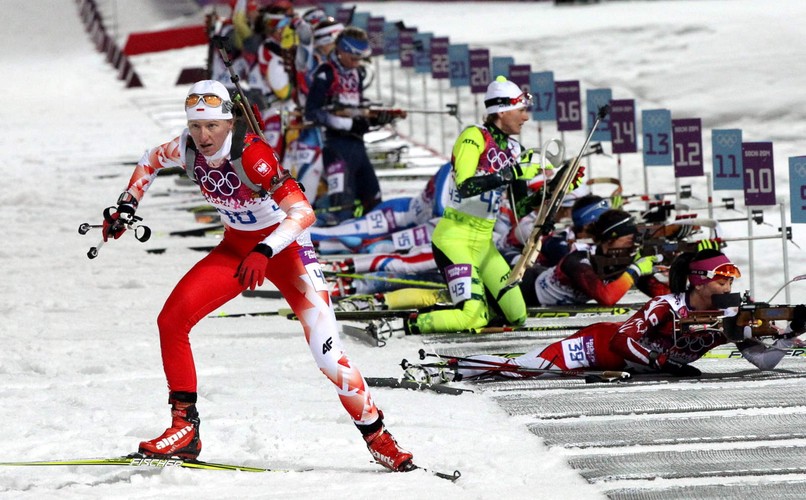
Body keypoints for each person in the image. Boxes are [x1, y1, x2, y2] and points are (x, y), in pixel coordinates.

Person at [99, 80, 414, 472]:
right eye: (196, 126)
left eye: (212, 126)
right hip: (236, 250)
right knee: (171, 321)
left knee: (328, 355)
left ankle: (378, 437)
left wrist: (265, 250)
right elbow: (149, 159)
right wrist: (127, 204)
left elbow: (303, 213)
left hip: (288, 253)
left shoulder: (254, 156)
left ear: (229, 122)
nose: (203, 135)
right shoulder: (186, 147)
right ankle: (184, 429)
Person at [429, 249, 806, 380]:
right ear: (700, 281)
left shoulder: (731, 316)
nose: (730, 284)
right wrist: (663, 362)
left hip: (637, 366)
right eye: (723, 277)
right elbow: (621, 340)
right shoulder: (667, 306)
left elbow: (764, 361)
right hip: (597, 346)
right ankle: (452, 367)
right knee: (526, 368)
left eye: (732, 277)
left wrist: (789, 335)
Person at [405, 76, 552, 335]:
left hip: (484, 244)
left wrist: (553, 196)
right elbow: (464, 184)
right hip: (455, 238)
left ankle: (473, 305)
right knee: (469, 318)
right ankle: (406, 324)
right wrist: (507, 174)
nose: (526, 117)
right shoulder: (474, 136)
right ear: (502, 111)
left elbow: (520, 206)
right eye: (521, 110)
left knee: (517, 315)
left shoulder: (515, 149)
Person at [305, 26, 395, 224]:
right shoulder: (326, 73)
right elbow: (312, 112)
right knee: (343, 207)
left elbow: (358, 108)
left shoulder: (357, 74)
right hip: (336, 147)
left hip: (357, 146)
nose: (356, 63)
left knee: (373, 199)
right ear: (341, 50)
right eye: (353, 58)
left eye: (359, 59)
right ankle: (319, 221)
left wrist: (373, 119)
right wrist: (348, 124)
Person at [520, 208, 669, 307]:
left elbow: (663, 296)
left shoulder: (619, 260)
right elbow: (607, 298)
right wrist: (635, 270)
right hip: (525, 291)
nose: (633, 245)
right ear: (610, 239)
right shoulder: (578, 259)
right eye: (628, 240)